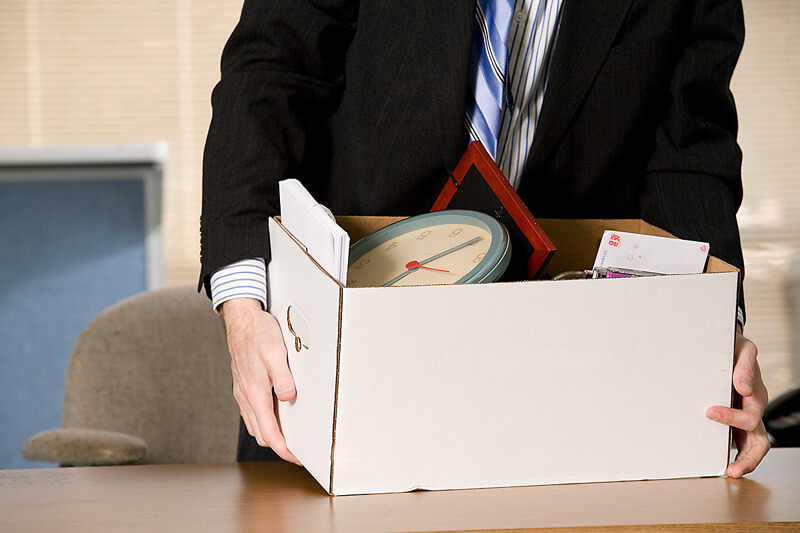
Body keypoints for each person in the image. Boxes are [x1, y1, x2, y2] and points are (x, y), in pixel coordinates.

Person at [199, 0, 770, 477]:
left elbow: (690, 157)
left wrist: (717, 331)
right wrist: (244, 303)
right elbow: (268, 73)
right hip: (339, 361)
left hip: (564, 384)